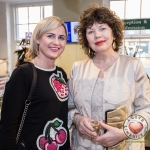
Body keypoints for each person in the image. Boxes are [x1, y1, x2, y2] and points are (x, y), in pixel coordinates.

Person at [68, 3, 150, 150]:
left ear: (114, 33)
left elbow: (146, 109)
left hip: (125, 145)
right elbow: (69, 107)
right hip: (83, 145)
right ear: (86, 38)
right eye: (90, 31)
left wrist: (125, 132)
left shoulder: (133, 66)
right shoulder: (77, 68)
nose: (97, 35)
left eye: (103, 28)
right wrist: (78, 119)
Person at [0, 16, 71, 150]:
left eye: (61, 38)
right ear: (38, 39)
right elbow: (8, 127)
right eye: (50, 36)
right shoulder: (23, 74)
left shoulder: (61, 74)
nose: (56, 42)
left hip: (60, 144)